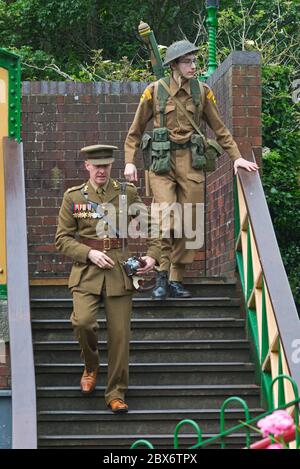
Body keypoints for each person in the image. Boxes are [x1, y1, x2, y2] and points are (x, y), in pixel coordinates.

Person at [124, 40, 258, 300]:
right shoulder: (155, 91)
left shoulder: (203, 92)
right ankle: (161, 275)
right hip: (162, 162)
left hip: (191, 161)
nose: (193, 66)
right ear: (174, 65)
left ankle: (176, 279)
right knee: (166, 217)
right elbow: (134, 133)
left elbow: (220, 129)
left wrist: (236, 158)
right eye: (187, 61)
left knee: (190, 221)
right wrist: (129, 161)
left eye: (194, 61)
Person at [55, 144, 160, 413]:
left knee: (119, 336)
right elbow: (62, 239)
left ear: (111, 166)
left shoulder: (126, 193)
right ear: (87, 166)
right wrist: (88, 253)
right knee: (83, 322)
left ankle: (115, 392)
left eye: (105, 166)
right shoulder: (74, 198)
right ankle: (91, 366)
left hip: (117, 271)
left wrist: (152, 255)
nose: (101, 170)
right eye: (96, 165)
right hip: (86, 271)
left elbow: (152, 226)